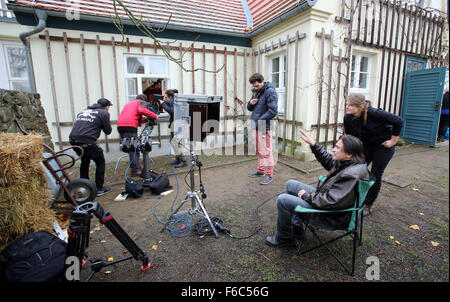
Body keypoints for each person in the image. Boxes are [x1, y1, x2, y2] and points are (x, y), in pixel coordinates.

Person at [266, 129, 370, 247]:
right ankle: (297, 227)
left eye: (337, 147)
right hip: (328, 201)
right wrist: (313, 144)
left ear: (349, 154)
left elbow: (331, 201)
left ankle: (284, 239)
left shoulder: (351, 175)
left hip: (330, 214)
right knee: (291, 184)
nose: (333, 150)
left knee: (283, 200)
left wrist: (306, 196)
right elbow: (329, 161)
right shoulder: (349, 163)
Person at [343, 93, 404, 216]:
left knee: (375, 174)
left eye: (350, 105)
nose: (347, 107)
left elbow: (398, 121)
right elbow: (350, 137)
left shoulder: (374, 113)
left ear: (360, 107)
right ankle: (352, 199)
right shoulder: (348, 118)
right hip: (366, 146)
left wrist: (393, 141)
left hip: (383, 146)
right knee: (356, 170)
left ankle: (368, 204)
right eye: (346, 104)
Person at [69, 98, 113, 196]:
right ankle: (99, 188)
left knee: (85, 160)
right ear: (106, 106)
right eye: (109, 107)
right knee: (100, 161)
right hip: (87, 140)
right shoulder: (104, 113)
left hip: (73, 140)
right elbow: (108, 131)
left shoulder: (84, 111)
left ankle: (84, 186)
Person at [247, 73, 278, 185]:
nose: (255, 88)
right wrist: (251, 102)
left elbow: (273, 111)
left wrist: (260, 120)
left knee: (266, 152)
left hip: (264, 127)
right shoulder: (257, 92)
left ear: (262, 81)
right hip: (256, 126)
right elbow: (250, 108)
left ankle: (269, 175)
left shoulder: (270, 91)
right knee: (259, 150)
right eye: (254, 86)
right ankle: (260, 171)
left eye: (256, 85)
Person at [117, 94, 158, 176]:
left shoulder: (129, 104)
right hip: (130, 127)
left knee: (130, 147)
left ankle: (135, 168)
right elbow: (142, 110)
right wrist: (155, 116)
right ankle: (135, 170)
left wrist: (145, 120)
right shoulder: (141, 103)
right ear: (144, 100)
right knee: (134, 148)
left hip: (120, 126)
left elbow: (134, 117)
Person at [158, 89, 186, 168]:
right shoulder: (172, 102)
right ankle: (178, 159)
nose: (164, 99)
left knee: (176, 143)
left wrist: (163, 104)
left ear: (170, 97)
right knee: (173, 142)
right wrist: (165, 103)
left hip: (179, 126)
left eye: (166, 97)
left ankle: (182, 161)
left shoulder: (176, 102)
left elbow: (172, 111)